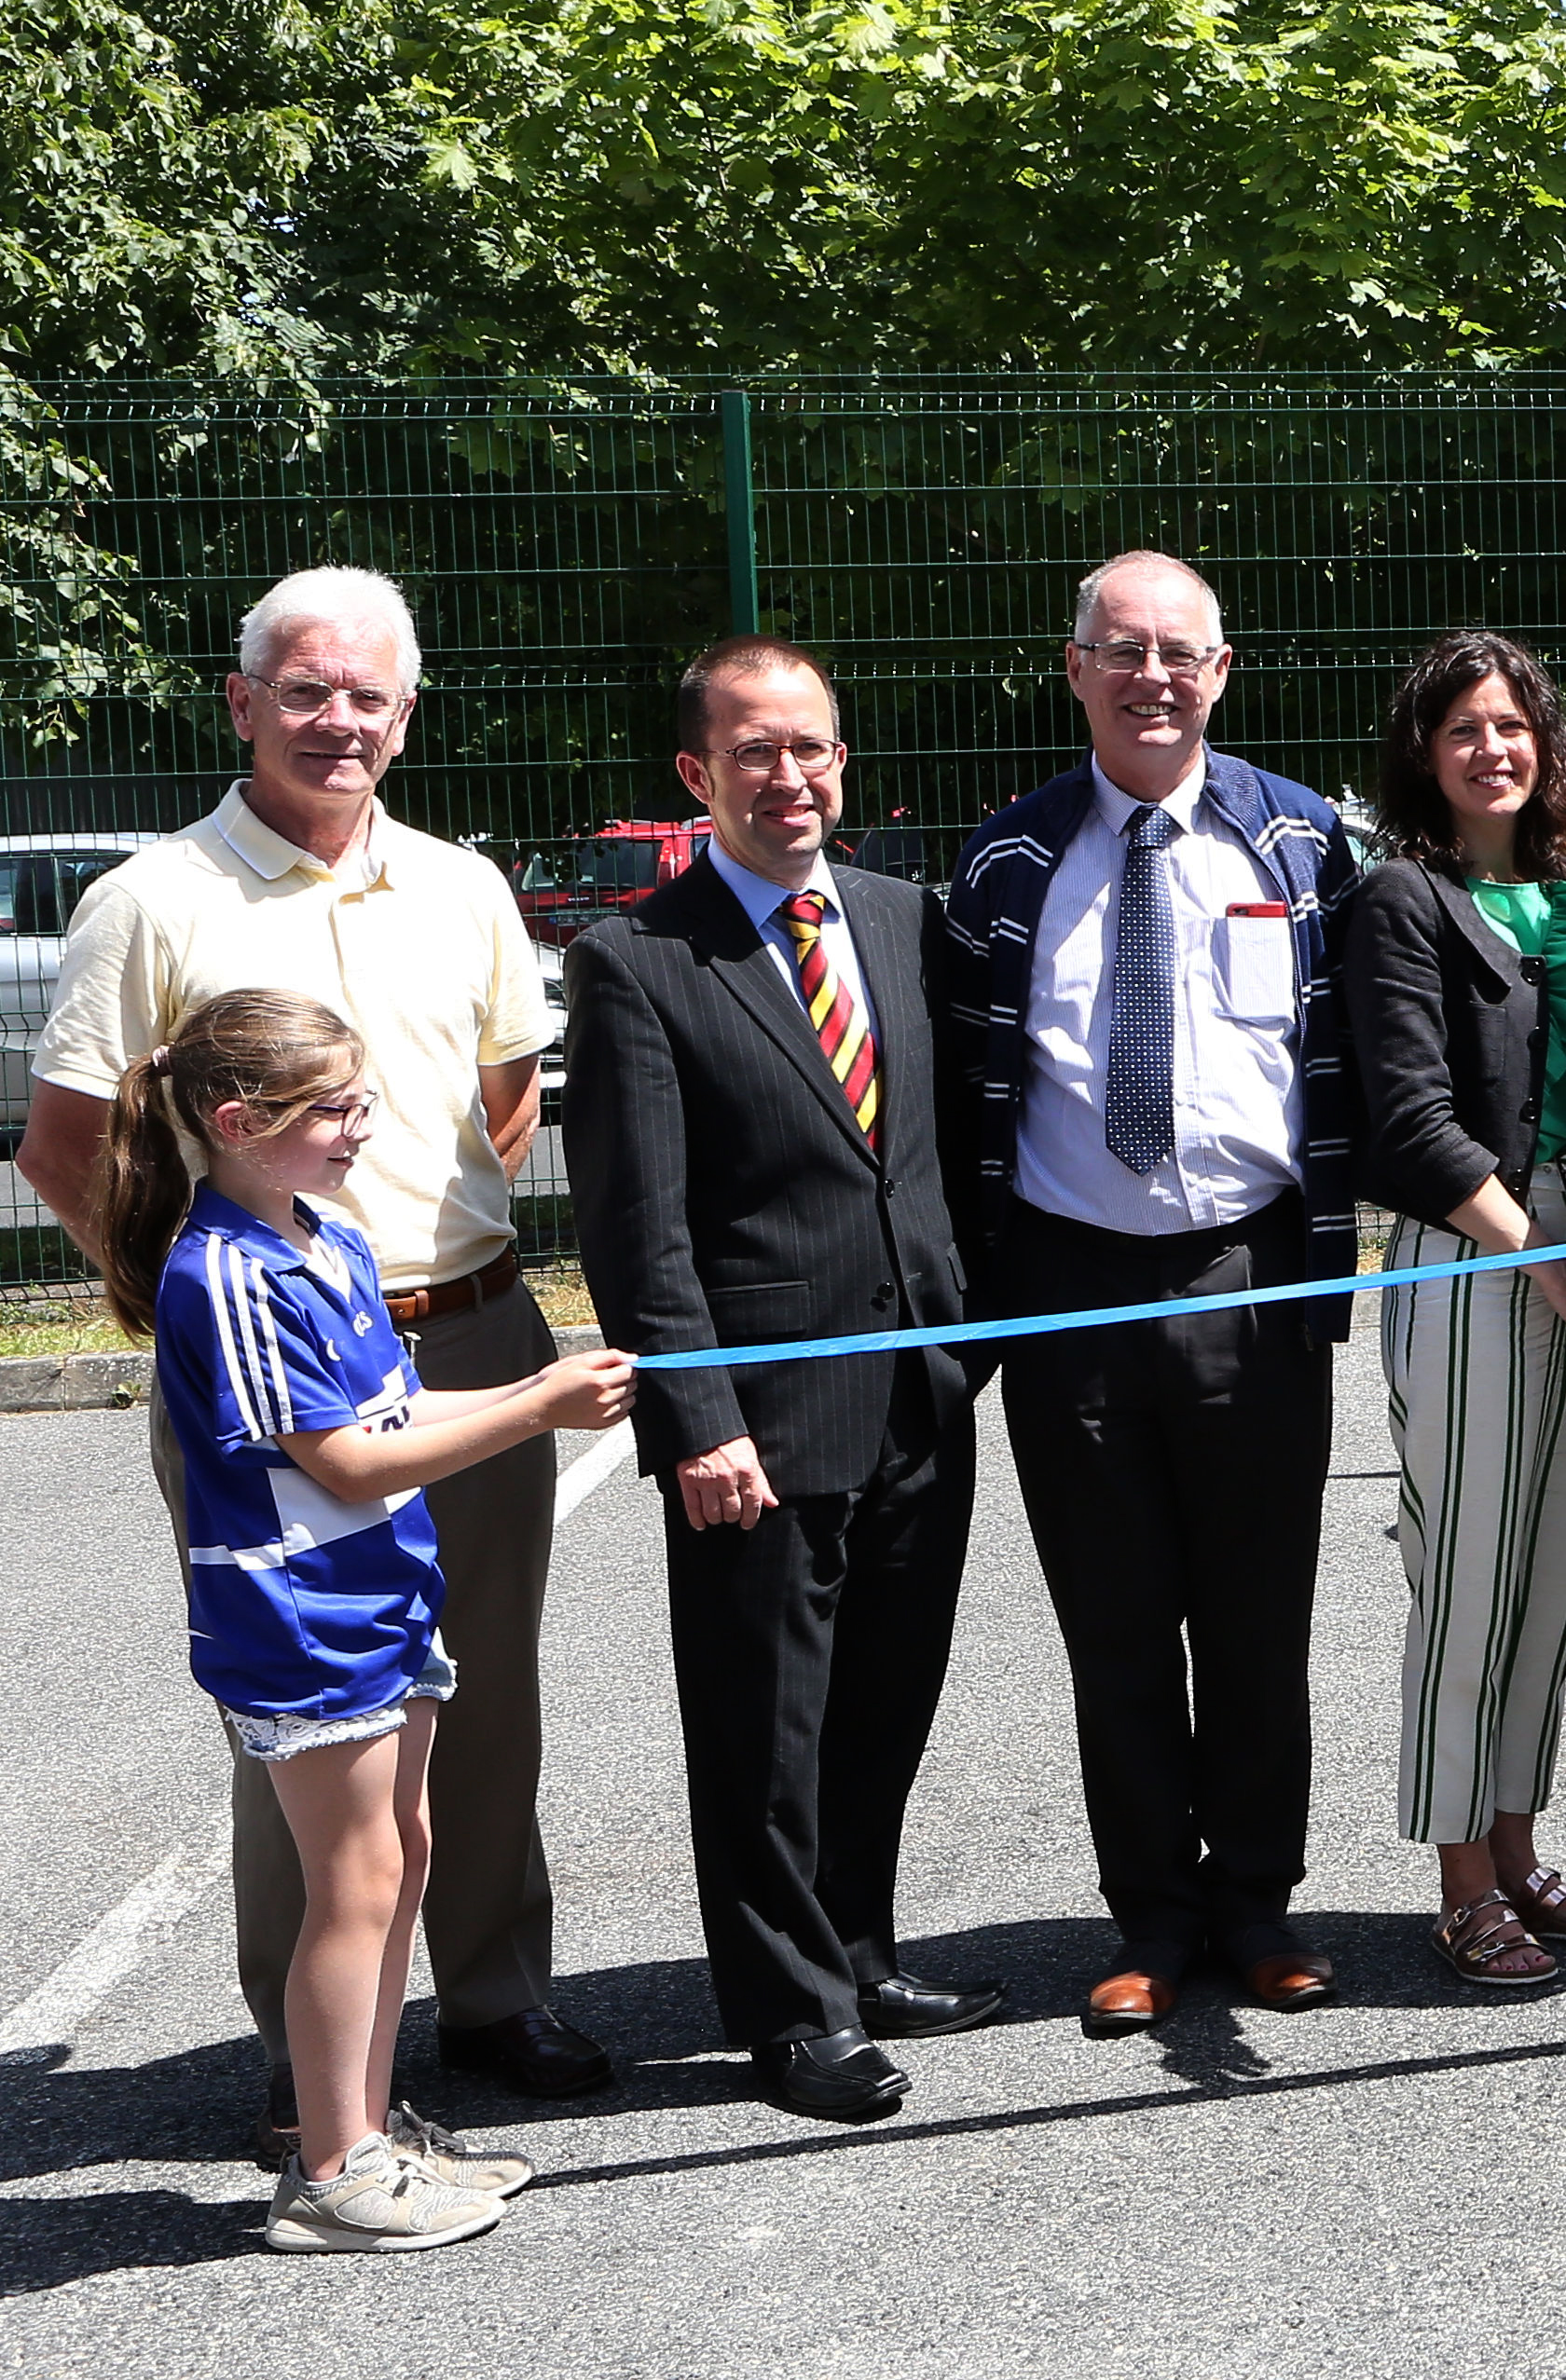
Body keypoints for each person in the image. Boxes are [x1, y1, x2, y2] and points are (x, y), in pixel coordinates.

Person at [19, 565, 615, 2150]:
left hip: (467, 1327)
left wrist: (415, 1265)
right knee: (309, 1715)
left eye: (368, 694)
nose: (337, 719)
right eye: (304, 689)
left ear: (406, 713)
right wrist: (200, 1300)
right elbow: (65, 1138)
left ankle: (494, 1991)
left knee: (476, 1691)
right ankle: (313, 2054)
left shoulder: (465, 882)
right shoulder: (152, 900)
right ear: (242, 703)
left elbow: (506, 1104)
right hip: (270, 1372)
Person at [97, 990, 629, 2249]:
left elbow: (391, 1420)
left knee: (400, 1860)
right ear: (237, 1123)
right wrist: (541, 1405)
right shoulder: (224, 1271)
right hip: (301, 1616)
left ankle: (367, 2128)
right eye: (333, 1108)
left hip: (381, 1597)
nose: (361, 1127)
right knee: (354, 1883)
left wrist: (534, 1389)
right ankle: (333, 2168)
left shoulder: (322, 1238)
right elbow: (339, 1462)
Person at [934, 551, 1364, 2031]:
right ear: (1075, 671)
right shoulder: (1003, 862)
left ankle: (1257, 1904)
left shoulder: (1305, 843)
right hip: (1069, 1287)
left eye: (1179, 652)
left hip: (1250, 1271)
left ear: (1222, 670)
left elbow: (1358, 1061)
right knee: (1113, 1626)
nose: (1152, 678)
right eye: (1121, 652)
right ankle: (1149, 1919)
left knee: (1258, 1622)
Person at [564, 637, 992, 2120]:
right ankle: (788, 2014)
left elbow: (938, 1158)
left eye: (810, 746)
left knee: (887, 1698)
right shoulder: (635, 958)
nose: (789, 775)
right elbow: (640, 1226)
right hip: (760, 1419)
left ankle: (859, 1947)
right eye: (753, 751)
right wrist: (698, 1420)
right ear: (698, 774)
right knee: (765, 1729)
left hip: (920, 1389)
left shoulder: (900, 917)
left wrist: (967, 1343)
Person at [1339, 632, 1566, 1989]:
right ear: (1425, 752)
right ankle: (1460, 1879)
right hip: (1477, 1249)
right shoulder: (1402, 898)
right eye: (1462, 729)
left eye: (1512, 726)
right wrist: (1555, 1266)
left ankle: (1521, 1847)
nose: (1492, 749)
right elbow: (1409, 1120)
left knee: (1554, 1579)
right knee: (1468, 1576)